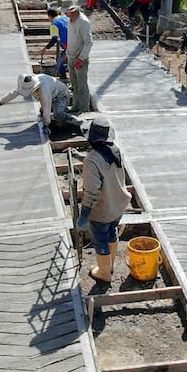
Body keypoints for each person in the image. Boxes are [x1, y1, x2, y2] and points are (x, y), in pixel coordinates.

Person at [76, 118, 131, 283]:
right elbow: (105, 167)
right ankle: (111, 264)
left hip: (103, 209)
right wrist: (83, 158)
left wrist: (84, 215)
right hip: (119, 204)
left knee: (100, 239)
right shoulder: (115, 150)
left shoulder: (92, 160)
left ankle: (104, 273)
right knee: (111, 232)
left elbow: (92, 191)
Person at [0, 73, 81, 135]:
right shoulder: (27, 82)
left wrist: (46, 125)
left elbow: (46, 106)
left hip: (61, 96)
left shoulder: (44, 90)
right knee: (42, 112)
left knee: (58, 114)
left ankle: (78, 122)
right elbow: (12, 94)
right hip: (51, 96)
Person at [66, 5, 93, 113]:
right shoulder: (70, 21)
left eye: (68, 13)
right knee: (74, 84)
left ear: (75, 12)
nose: (66, 15)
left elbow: (88, 42)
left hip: (79, 58)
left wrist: (81, 58)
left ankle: (83, 108)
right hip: (71, 56)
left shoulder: (83, 22)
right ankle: (76, 105)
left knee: (82, 85)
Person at [42, 7, 69, 80]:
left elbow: (54, 38)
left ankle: (63, 81)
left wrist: (46, 47)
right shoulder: (66, 18)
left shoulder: (54, 24)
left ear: (50, 16)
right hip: (77, 42)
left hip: (68, 46)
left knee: (60, 64)